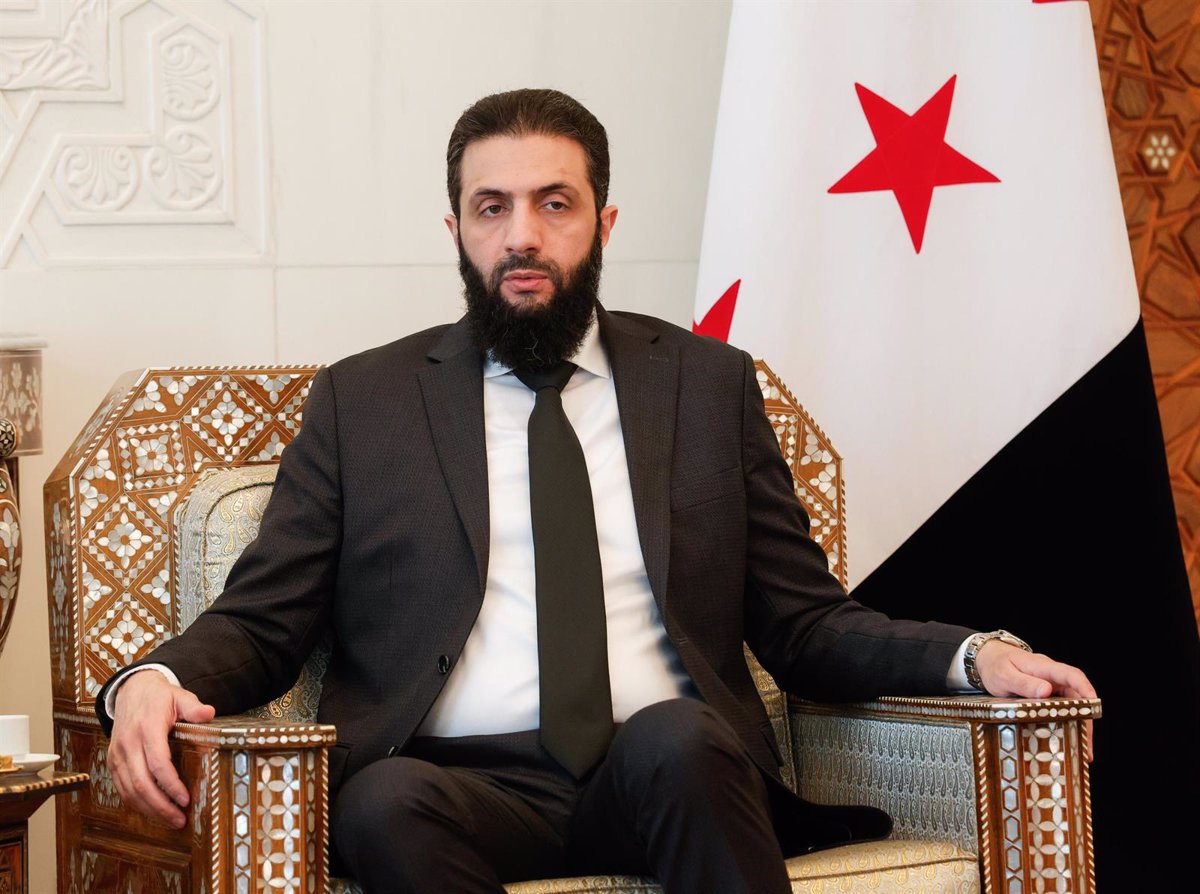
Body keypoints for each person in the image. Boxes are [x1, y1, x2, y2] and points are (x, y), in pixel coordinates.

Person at [95, 89, 1096, 894]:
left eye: (554, 203)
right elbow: (265, 621)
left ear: (603, 220)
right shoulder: (366, 403)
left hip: (668, 772)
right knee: (383, 800)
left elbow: (805, 625)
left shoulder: (706, 387)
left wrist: (972, 656)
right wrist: (144, 678)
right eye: (493, 208)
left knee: (675, 735)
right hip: (461, 782)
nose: (523, 235)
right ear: (457, 227)